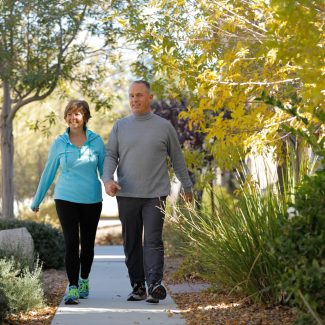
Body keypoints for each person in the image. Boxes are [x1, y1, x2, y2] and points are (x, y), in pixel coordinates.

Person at [103, 80, 193, 304]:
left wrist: (187, 187)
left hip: (155, 194)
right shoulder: (120, 126)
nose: (135, 99)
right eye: (131, 95)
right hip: (127, 194)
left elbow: (178, 159)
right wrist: (108, 180)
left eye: (139, 95)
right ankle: (138, 286)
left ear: (150, 97)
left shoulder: (164, 127)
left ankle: (154, 284)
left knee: (152, 240)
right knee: (131, 242)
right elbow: (110, 155)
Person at [31, 100, 105, 305]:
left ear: (85, 117)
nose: (74, 118)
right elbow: (48, 172)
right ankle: (72, 287)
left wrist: (112, 185)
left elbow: (105, 170)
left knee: (87, 244)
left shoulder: (97, 141)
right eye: (70, 114)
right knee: (71, 242)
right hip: (65, 198)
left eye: (78, 114)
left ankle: (84, 280)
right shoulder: (59, 143)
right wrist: (37, 200)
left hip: (91, 199)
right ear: (66, 118)